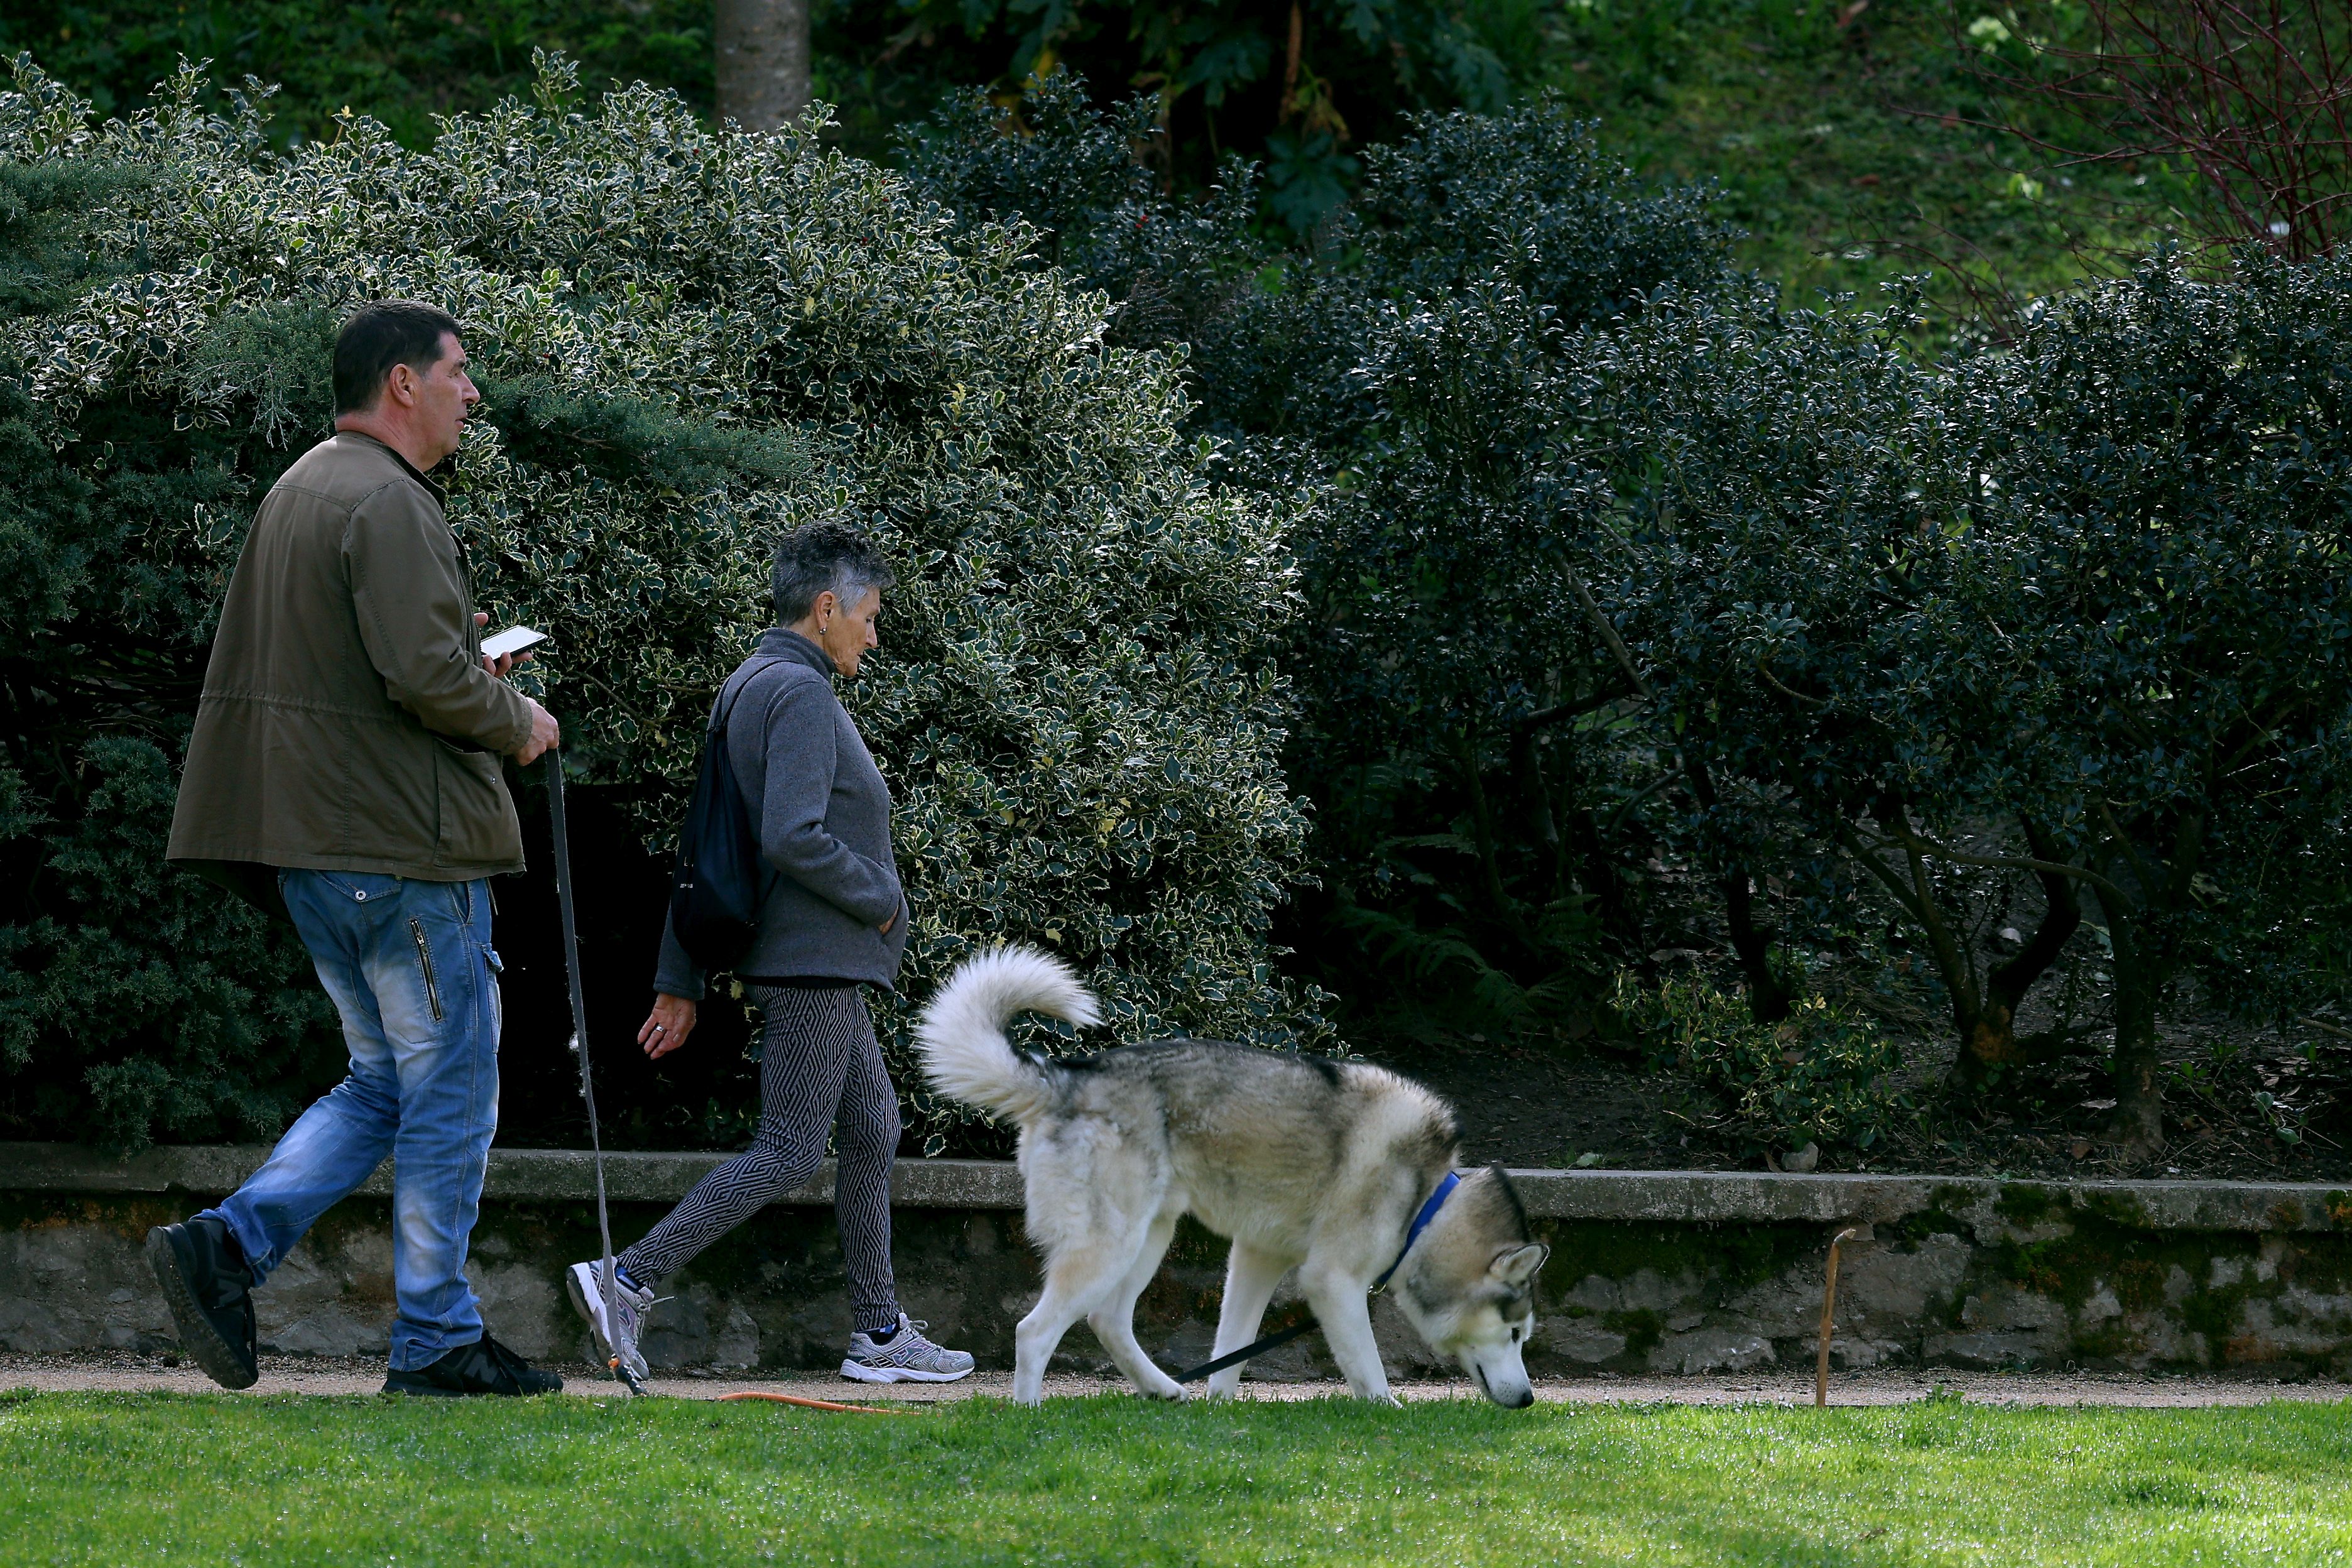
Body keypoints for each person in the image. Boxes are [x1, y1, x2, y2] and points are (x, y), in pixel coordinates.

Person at [149, 300, 565, 1397]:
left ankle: (226, 1248)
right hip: (403, 856)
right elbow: (426, 681)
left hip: (319, 851)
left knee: (384, 1083)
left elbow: (368, 670)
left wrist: (464, 674)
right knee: (450, 1098)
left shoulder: (304, 487)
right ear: (401, 385)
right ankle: (435, 1341)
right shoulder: (389, 502)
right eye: (459, 373)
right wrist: (517, 719)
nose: (471, 393)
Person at [564, 521, 973, 1385]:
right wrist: (883, 896)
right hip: (811, 963)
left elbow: (705, 845)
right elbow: (791, 836)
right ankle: (626, 1277)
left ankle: (880, 1331)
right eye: (868, 615)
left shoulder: (750, 685)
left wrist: (679, 979)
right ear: (826, 609)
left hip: (814, 962)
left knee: (873, 1125)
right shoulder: (799, 696)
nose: (874, 631)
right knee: (789, 1148)